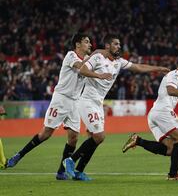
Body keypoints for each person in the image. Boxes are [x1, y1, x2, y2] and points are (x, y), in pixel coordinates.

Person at [63, 34, 170, 181]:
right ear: (107, 46)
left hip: (98, 103)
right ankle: (70, 160)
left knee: (97, 139)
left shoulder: (119, 62)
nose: (119, 46)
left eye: (119, 44)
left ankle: (79, 171)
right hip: (87, 101)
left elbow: (138, 67)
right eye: (116, 44)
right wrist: (99, 76)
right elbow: (82, 70)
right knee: (99, 136)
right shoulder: (98, 58)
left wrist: (157, 68)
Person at [6, 33, 110, 180]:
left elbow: (93, 65)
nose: (90, 44)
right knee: (46, 134)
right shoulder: (71, 56)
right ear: (78, 44)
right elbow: (81, 68)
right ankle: (19, 155)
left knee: (73, 138)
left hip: (74, 101)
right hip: (61, 99)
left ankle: (61, 172)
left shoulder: (87, 60)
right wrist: (98, 65)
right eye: (86, 42)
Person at [121, 53, 178, 180]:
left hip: (155, 114)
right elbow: (170, 90)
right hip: (163, 111)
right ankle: (173, 175)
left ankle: (138, 140)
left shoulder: (177, 76)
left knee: (172, 149)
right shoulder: (175, 74)